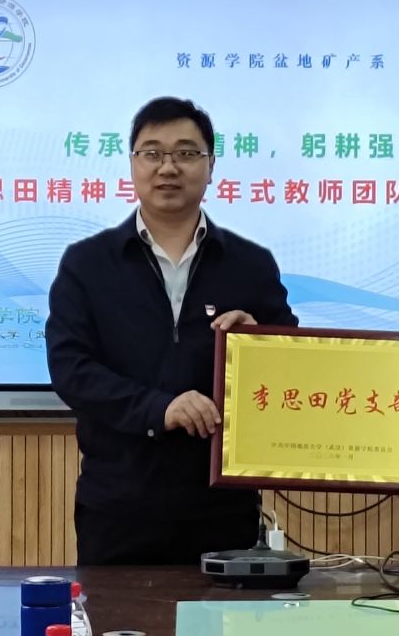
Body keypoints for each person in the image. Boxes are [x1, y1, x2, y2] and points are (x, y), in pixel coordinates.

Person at [46, 96, 298, 565]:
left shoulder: (251, 265)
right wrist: (159, 408)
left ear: (210, 166)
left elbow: (292, 369)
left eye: (186, 153)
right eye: (152, 153)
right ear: (132, 164)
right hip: (118, 506)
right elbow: (70, 370)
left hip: (222, 509)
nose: (168, 167)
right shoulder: (87, 264)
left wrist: (259, 341)